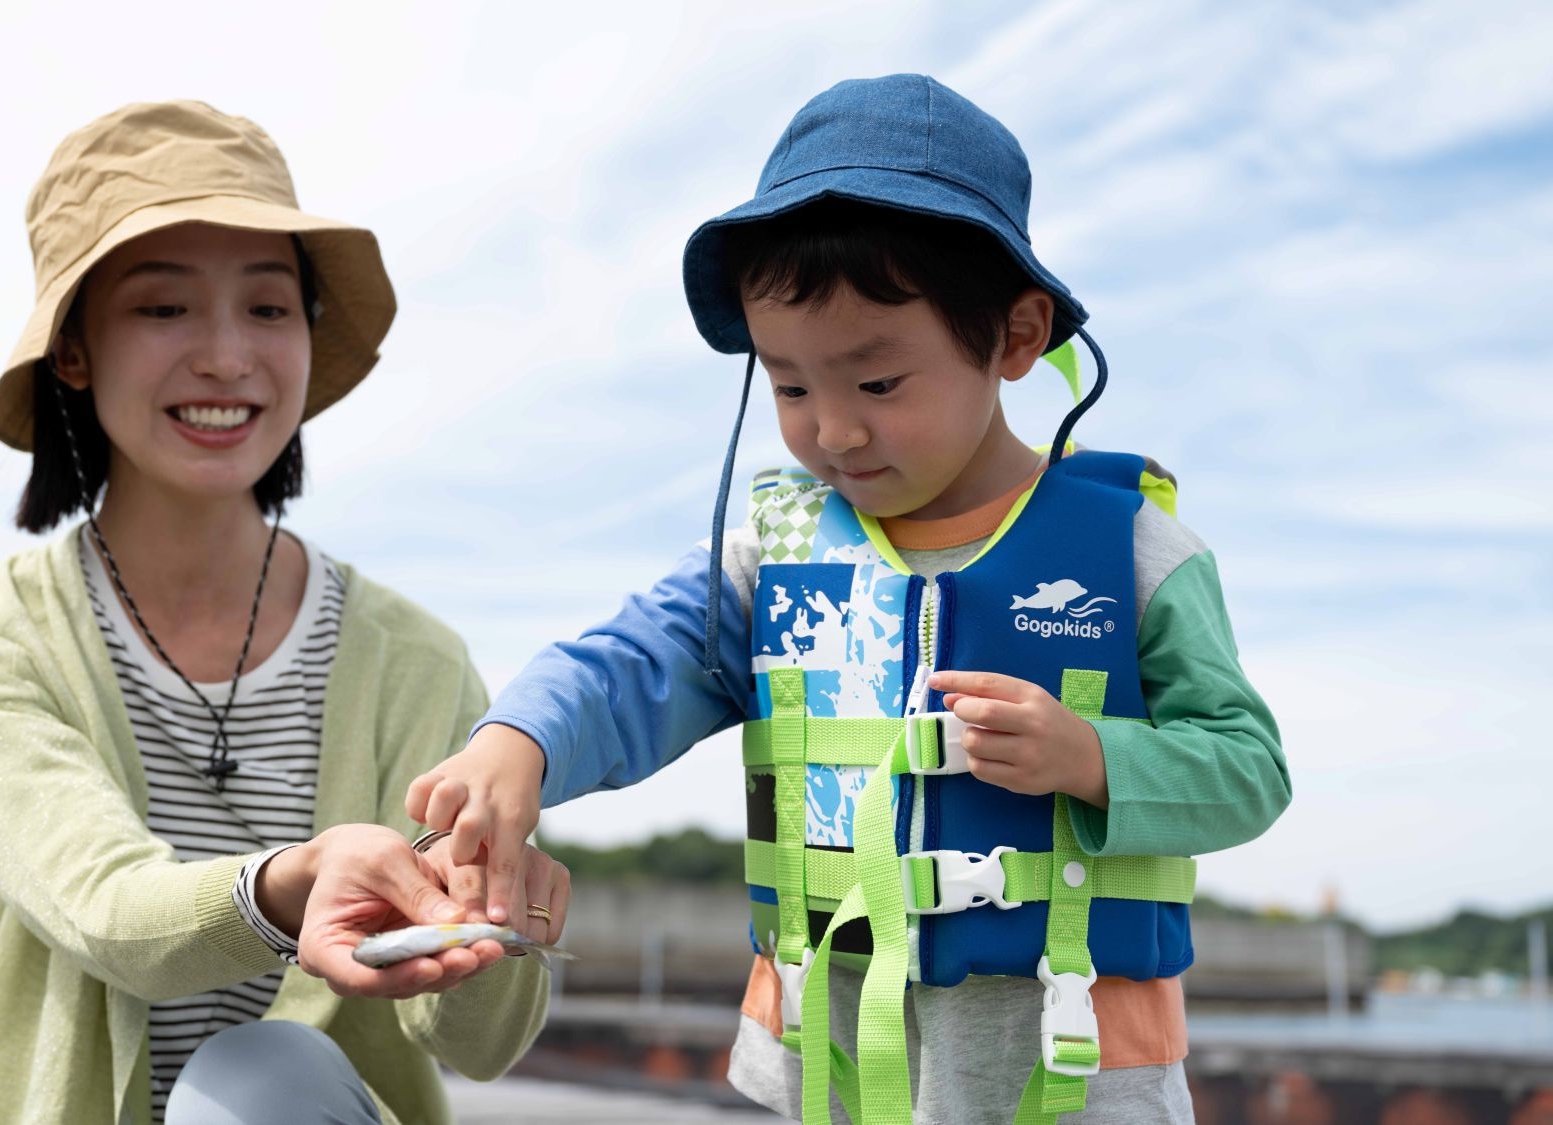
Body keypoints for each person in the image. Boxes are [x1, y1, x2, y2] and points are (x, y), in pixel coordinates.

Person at [407, 75, 1290, 1124]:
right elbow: (631, 660)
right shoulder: (770, 559)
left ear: (1015, 336)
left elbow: (1249, 767)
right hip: (826, 1064)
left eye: (875, 385)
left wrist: (1092, 758)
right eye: (788, 386)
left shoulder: (1135, 551)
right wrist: (521, 740)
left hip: (1076, 1069)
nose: (831, 431)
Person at [0, 101, 561, 1125]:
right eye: (164, 310)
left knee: (269, 1080)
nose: (225, 357)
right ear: (72, 351)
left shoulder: (415, 658)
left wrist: (493, 927)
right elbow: (104, 907)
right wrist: (297, 882)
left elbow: (482, 1045)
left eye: (267, 308)